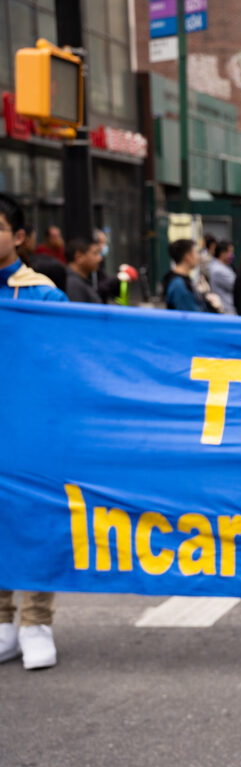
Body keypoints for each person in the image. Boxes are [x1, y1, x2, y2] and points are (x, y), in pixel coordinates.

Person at [0, 192, 65, 670]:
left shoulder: (43, 294)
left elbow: (66, 360)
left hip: (34, 429)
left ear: (18, 236)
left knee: (37, 519)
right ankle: (3, 621)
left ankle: (37, 621)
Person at [164, 239, 205, 312]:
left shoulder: (182, 280)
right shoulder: (178, 284)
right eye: (196, 253)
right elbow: (193, 313)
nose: (199, 257)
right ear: (187, 257)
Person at [64, 238, 103, 304]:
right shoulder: (73, 284)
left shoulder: (78, 281)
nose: (100, 259)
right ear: (79, 257)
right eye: (95, 253)